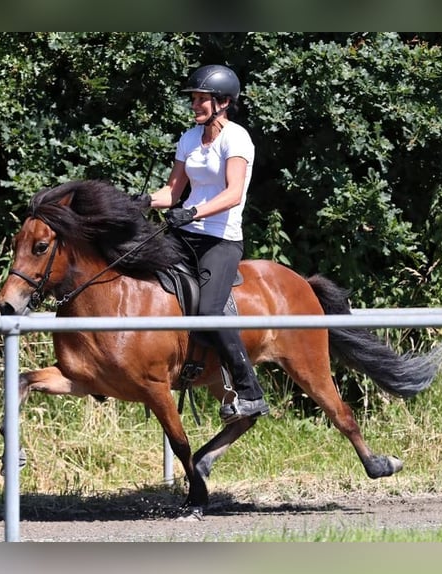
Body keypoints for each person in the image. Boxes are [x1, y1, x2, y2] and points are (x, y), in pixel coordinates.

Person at [138, 64, 269, 425]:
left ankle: (249, 391)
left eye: (201, 99)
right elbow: (172, 192)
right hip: (186, 233)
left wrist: (192, 212)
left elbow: (232, 194)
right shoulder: (189, 139)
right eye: (193, 99)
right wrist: (142, 201)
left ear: (223, 102)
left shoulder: (236, 139)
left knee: (210, 311)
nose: (194, 105)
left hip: (220, 239)